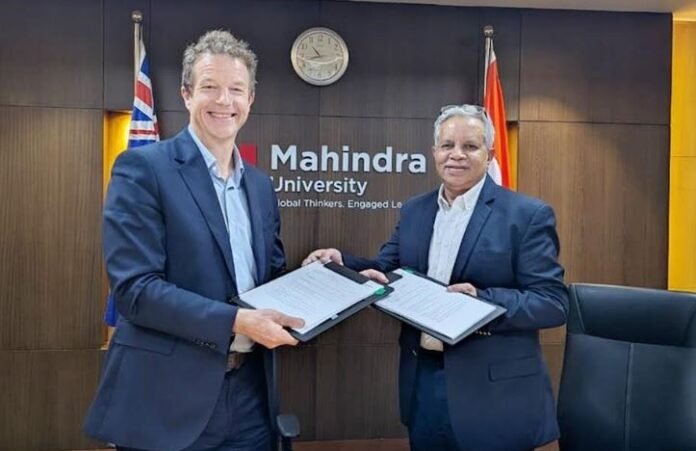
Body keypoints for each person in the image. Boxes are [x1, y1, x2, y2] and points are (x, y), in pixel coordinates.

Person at [84, 30, 304, 451]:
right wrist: (236, 321)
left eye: (236, 89)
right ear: (186, 94)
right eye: (209, 87)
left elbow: (269, 279)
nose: (224, 100)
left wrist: (320, 276)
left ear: (250, 99)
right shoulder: (143, 169)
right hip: (165, 400)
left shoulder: (260, 186)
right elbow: (136, 291)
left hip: (250, 396)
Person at [304, 104, 569, 451]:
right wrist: (343, 263)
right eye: (447, 145)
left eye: (470, 146)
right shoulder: (416, 209)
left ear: (489, 155)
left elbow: (552, 303)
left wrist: (482, 301)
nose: (456, 155)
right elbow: (387, 268)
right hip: (424, 383)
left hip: (495, 396)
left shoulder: (526, 215)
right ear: (434, 152)